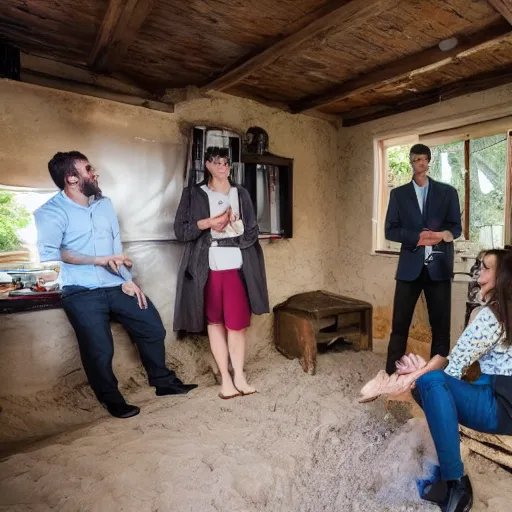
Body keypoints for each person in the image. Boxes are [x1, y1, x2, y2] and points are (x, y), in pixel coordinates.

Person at [35, 151, 197, 419]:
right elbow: (54, 252)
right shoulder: (50, 212)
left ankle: (164, 383)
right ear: (72, 178)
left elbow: (115, 248)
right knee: (99, 348)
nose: (94, 172)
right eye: (88, 169)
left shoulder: (104, 204)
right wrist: (98, 260)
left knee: (151, 325)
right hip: (80, 291)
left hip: (115, 285)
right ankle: (112, 400)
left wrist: (128, 281)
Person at [360, 249, 512, 511]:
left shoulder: (489, 316)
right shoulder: (505, 313)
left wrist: (418, 374)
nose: (479, 276)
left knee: (429, 384)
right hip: (499, 397)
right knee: (430, 380)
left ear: (504, 278)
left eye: (487, 268)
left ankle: (455, 483)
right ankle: (448, 475)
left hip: (500, 406)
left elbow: (452, 369)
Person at [173, 146, 269, 399]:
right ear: (207, 165)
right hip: (208, 268)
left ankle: (239, 375)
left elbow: (252, 231)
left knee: (237, 325)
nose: (222, 167)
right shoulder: (194, 193)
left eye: (226, 162)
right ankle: (225, 379)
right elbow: (181, 231)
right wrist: (208, 224)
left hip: (237, 267)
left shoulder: (241, 193)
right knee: (215, 323)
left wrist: (234, 227)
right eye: (216, 162)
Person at [384, 143, 462, 375]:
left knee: (440, 327)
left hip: (439, 268)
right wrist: (416, 238)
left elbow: (455, 228)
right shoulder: (398, 194)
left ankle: (438, 377)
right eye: (416, 158)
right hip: (410, 268)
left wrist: (441, 236)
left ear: (429, 162)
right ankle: (391, 374)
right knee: (399, 325)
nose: (421, 162)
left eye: (424, 158)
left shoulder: (448, 192)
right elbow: (390, 230)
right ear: (411, 161)